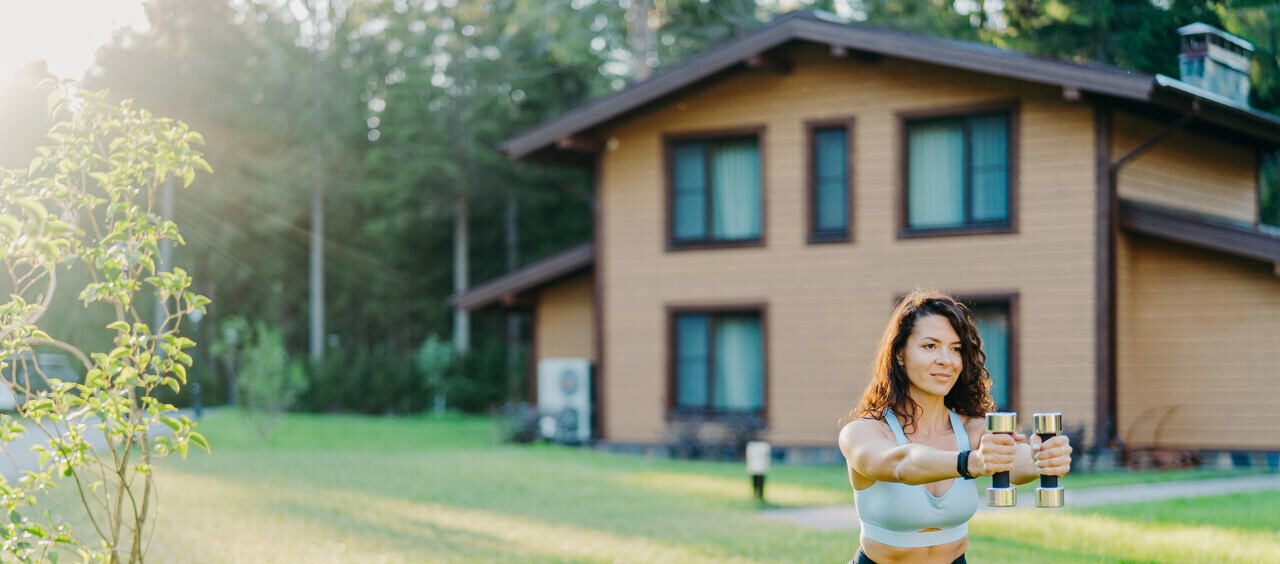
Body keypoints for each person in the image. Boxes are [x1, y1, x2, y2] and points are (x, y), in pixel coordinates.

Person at [837, 290, 1073, 564]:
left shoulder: (972, 429)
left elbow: (1012, 459)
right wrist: (970, 463)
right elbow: (902, 464)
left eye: (956, 348)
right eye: (930, 346)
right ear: (900, 355)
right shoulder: (864, 432)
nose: (946, 360)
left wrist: (1040, 459)